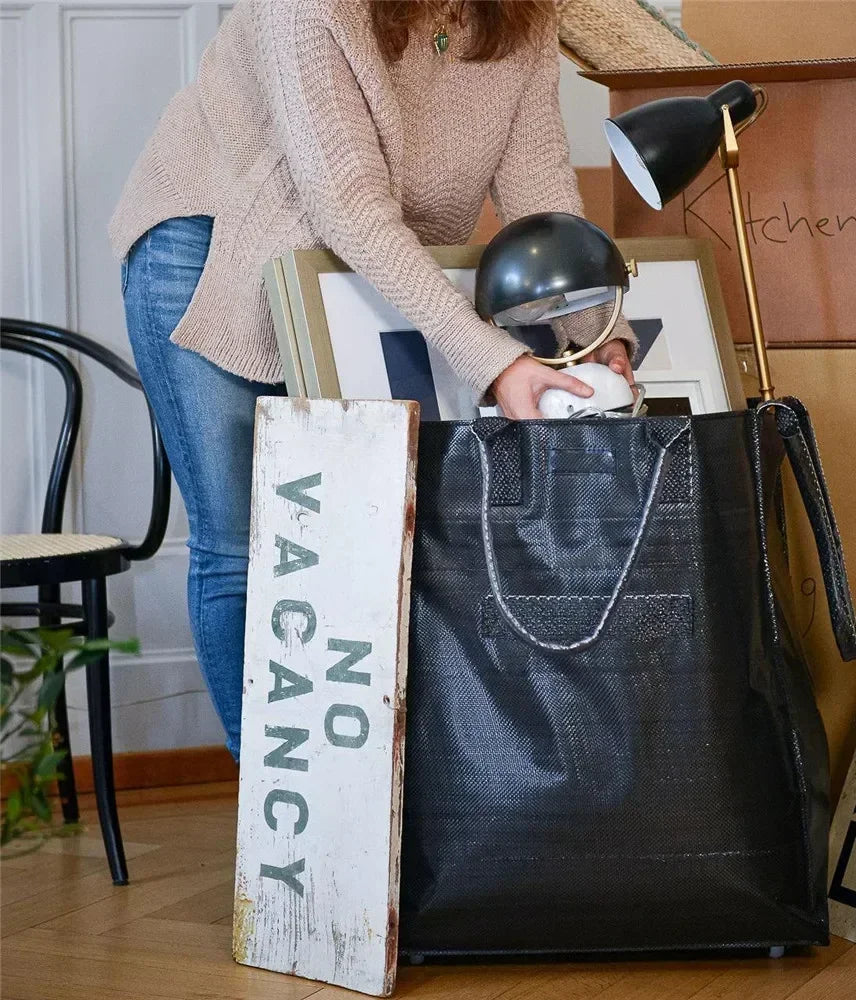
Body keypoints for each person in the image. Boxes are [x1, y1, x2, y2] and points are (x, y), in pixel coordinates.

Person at [110, 0, 636, 758]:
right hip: (212, 250)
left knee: (374, 530)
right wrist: (494, 360)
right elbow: (347, 203)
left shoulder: (522, 13)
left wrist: (595, 330)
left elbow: (539, 189)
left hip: (362, 274)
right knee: (244, 543)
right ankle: (276, 820)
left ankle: (371, 803)